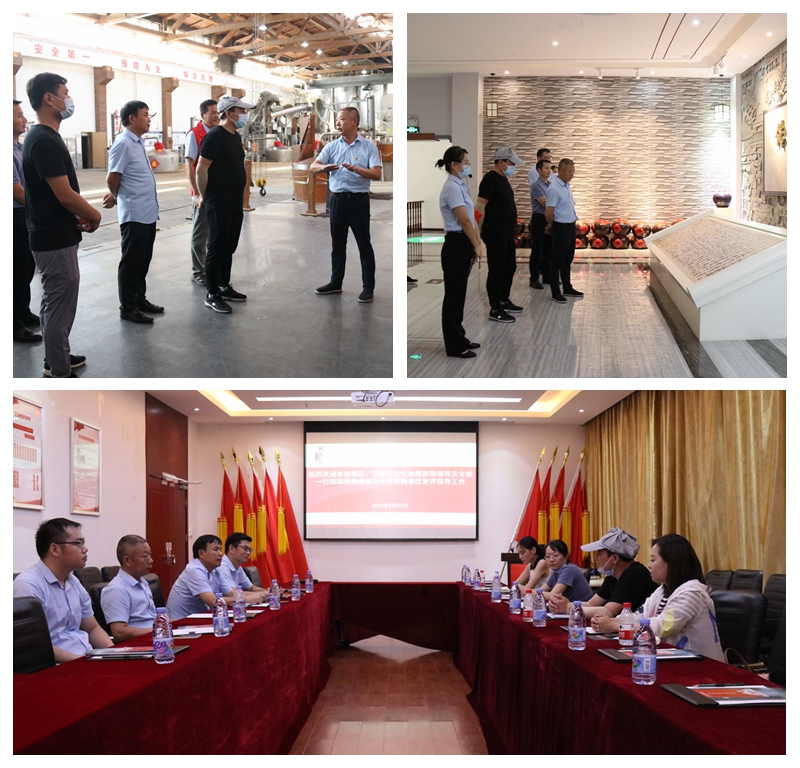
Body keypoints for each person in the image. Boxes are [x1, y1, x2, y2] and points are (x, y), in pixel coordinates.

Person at [22, 72, 99, 378]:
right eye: (65, 94)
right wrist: (94, 214)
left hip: (55, 234)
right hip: (53, 239)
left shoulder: (44, 137)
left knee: (55, 301)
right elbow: (65, 195)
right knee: (59, 304)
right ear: (49, 99)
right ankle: (59, 370)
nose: (69, 100)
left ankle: (55, 355)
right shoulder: (44, 140)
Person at [592, 533, 724, 661]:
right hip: (675, 659)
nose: (649, 565)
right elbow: (640, 615)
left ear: (671, 562)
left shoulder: (692, 593)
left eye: (653, 560)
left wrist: (614, 625)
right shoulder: (662, 590)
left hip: (701, 665)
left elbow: (661, 628)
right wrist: (609, 621)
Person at [13, 518, 113, 662]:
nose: (85, 549)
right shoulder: (29, 585)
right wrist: (82, 662)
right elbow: (34, 644)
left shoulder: (74, 582)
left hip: (84, 658)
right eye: (78, 543)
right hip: (56, 665)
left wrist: (113, 653)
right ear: (55, 549)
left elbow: (92, 628)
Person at [311, 107, 382, 303]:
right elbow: (313, 167)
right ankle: (335, 282)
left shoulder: (368, 147)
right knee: (337, 245)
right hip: (338, 201)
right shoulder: (332, 147)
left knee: (364, 245)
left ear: (354, 121)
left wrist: (357, 170)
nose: (338, 123)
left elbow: (377, 173)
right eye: (337, 120)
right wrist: (324, 167)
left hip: (358, 201)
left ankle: (368, 287)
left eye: (342, 119)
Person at [104, 100, 162, 324]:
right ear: (132, 118)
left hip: (147, 212)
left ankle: (139, 299)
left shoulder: (137, 142)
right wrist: (116, 195)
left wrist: (116, 193)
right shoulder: (123, 143)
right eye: (145, 115)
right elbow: (112, 178)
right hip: (134, 213)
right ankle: (127, 308)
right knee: (131, 262)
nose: (149, 119)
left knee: (143, 259)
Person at [196, 95, 254, 314]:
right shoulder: (214, 136)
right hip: (218, 201)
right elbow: (201, 168)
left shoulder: (234, 136)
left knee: (229, 246)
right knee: (216, 247)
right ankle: (212, 294)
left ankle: (224, 285)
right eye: (241, 111)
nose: (244, 115)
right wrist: (203, 196)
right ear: (229, 113)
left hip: (234, 201)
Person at [436, 145, 484, 358]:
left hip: (464, 241)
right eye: (466, 162)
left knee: (459, 295)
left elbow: (471, 218)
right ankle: (454, 345)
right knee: (454, 297)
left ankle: (460, 336)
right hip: (456, 243)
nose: (469, 165)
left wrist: (477, 241)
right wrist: (476, 244)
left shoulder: (460, 186)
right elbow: (463, 220)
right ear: (454, 165)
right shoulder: (452, 187)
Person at [547, 527, 657, 618]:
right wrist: (565, 604)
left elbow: (607, 612)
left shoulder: (634, 574)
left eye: (599, 553)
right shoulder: (612, 575)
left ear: (614, 558)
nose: (596, 558)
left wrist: (568, 608)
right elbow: (591, 604)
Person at [476, 146, 524, 323]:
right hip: (495, 233)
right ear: (501, 162)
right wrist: (477, 233)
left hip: (506, 233)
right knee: (496, 270)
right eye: (511, 163)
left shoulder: (503, 179)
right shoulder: (490, 179)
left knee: (509, 267)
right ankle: (495, 308)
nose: (513, 167)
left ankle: (504, 300)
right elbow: (480, 207)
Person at [13, 99, 42, 343]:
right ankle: (13, 324)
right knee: (15, 270)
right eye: (18, 115)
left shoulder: (20, 148)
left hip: (26, 214)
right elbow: (17, 191)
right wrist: (43, 208)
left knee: (25, 268)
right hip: (15, 216)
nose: (24, 119)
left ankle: (23, 311)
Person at [185, 99, 220, 286]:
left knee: (215, 233)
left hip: (217, 192)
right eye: (212, 112)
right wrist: (197, 193)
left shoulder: (218, 133)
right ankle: (198, 271)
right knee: (201, 233)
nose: (216, 116)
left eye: (218, 112)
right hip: (203, 193)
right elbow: (189, 166)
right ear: (202, 115)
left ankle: (211, 269)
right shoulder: (194, 134)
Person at [100, 534, 157, 641]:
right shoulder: (116, 590)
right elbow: (119, 632)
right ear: (127, 561)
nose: (151, 560)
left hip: (156, 637)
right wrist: (158, 631)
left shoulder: (143, 583)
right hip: (140, 643)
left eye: (150, 555)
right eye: (145, 556)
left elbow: (151, 619)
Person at [545, 158, 583, 304]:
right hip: (560, 227)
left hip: (570, 226)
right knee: (557, 260)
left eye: (573, 171)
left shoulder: (566, 185)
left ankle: (567, 287)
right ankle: (555, 291)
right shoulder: (554, 188)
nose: (571, 174)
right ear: (560, 171)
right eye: (569, 171)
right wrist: (554, 224)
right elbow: (549, 212)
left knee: (567, 259)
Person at [166, 534, 228, 619]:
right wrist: (242, 599)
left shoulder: (215, 570)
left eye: (220, 550)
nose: (221, 554)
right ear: (201, 553)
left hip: (199, 618)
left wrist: (243, 597)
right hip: (181, 621)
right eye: (216, 549)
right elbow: (213, 602)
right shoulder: (194, 570)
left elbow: (231, 593)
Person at [217, 533, 267, 602]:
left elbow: (251, 587)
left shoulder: (237, 566)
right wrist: (266, 593)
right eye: (245, 548)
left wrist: (269, 591)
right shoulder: (222, 566)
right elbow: (233, 593)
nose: (248, 553)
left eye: (250, 550)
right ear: (231, 548)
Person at [528, 158, 552, 290]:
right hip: (539, 219)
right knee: (537, 249)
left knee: (549, 249)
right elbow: (545, 203)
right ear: (539, 170)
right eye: (546, 168)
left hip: (549, 218)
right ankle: (534, 278)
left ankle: (547, 276)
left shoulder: (550, 185)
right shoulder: (536, 185)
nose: (549, 171)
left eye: (550, 168)